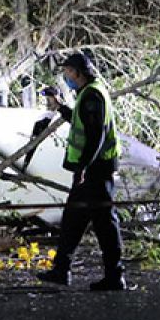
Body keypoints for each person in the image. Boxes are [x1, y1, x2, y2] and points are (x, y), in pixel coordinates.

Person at [36, 52, 126, 291]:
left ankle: (114, 276)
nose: (65, 76)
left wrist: (84, 167)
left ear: (77, 72)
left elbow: (96, 135)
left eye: (67, 72)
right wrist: (61, 108)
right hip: (93, 169)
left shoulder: (92, 96)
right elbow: (82, 122)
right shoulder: (88, 94)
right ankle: (62, 270)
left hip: (96, 170)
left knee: (104, 223)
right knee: (75, 219)